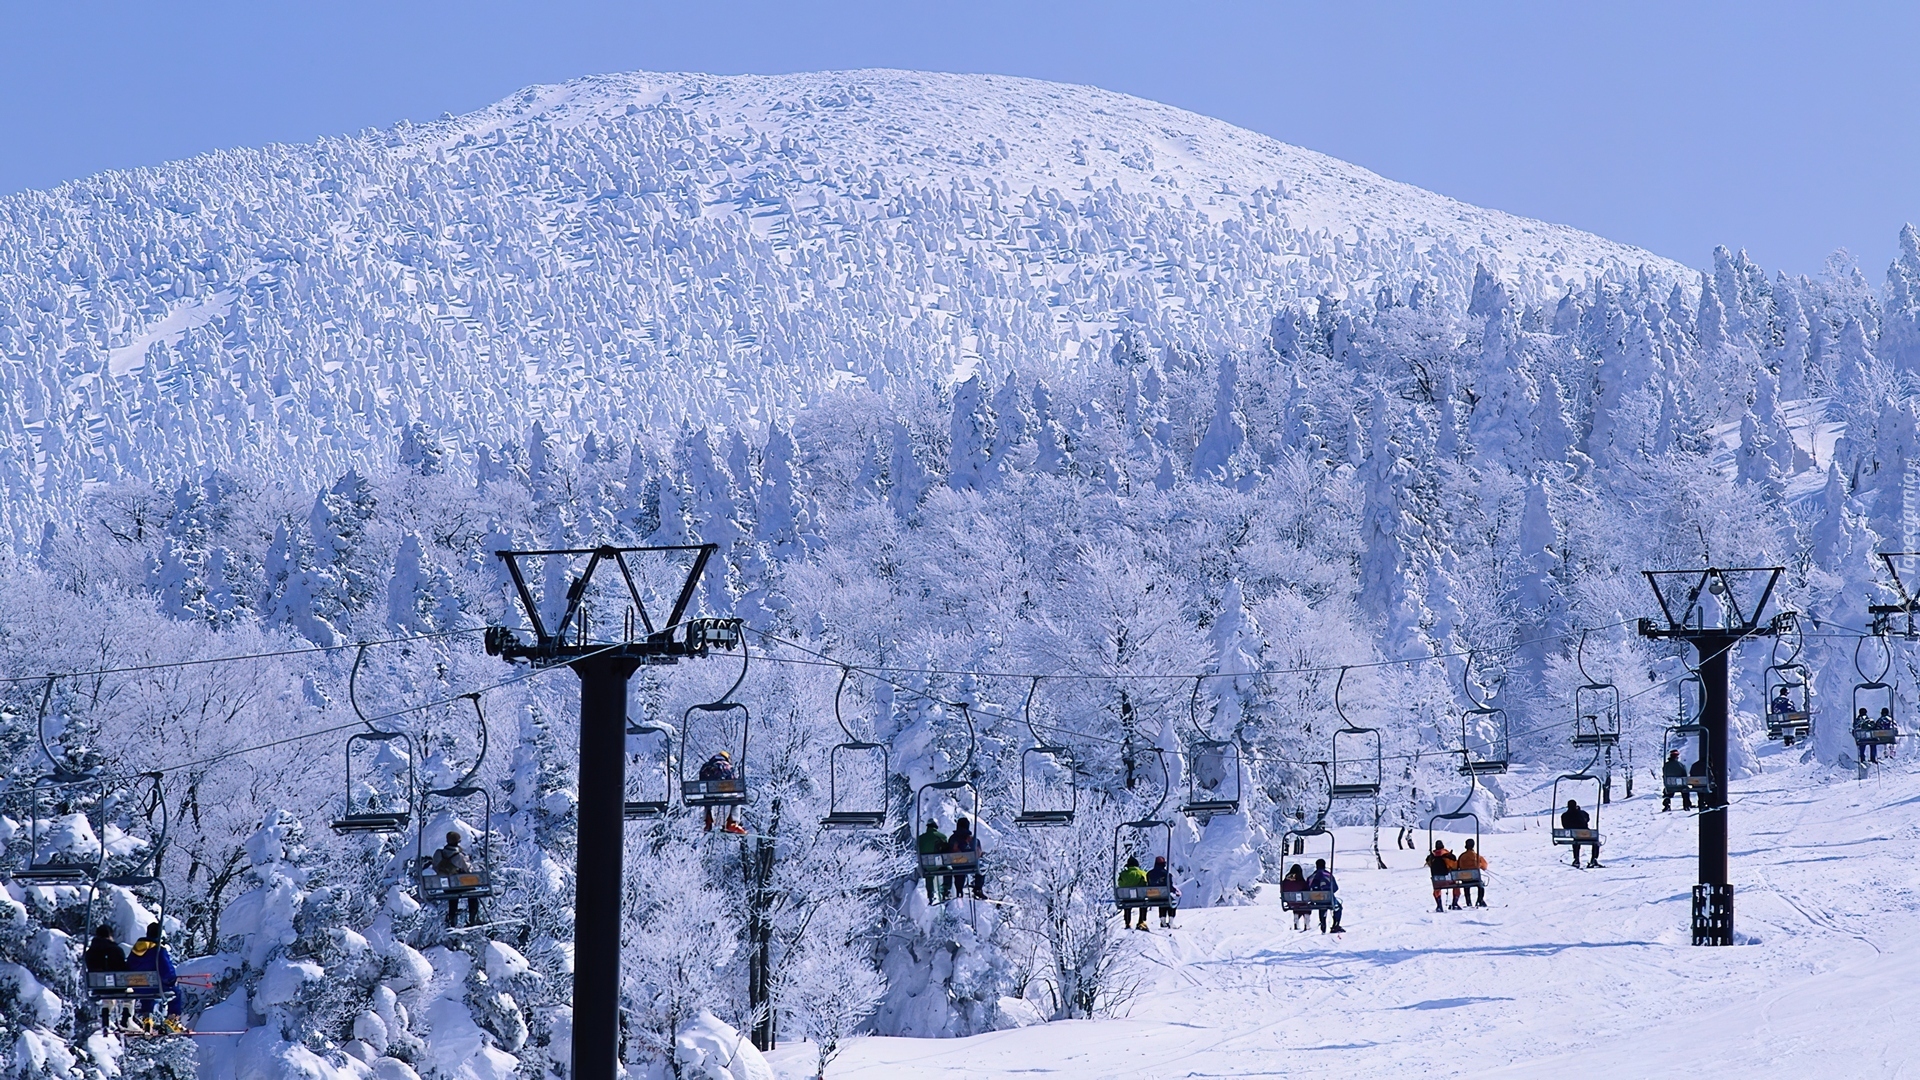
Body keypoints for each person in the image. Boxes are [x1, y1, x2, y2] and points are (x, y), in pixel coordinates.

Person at [126, 923, 182, 1033]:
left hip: (137, 986)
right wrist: (171, 981)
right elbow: (166, 969)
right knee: (176, 993)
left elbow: (129, 965)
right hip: (155, 986)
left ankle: (147, 1019)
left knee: (147, 993)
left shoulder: (136, 949)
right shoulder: (158, 950)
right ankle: (172, 1020)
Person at [84, 925, 133, 1032]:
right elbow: (122, 969)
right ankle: (126, 1018)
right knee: (129, 993)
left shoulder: (90, 952)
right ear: (110, 935)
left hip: (98, 986)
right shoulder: (116, 950)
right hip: (117, 986)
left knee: (107, 994)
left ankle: (105, 1015)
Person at [432, 831, 481, 927]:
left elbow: (435, 867)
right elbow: (469, 871)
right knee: (471, 891)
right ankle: (472, 918)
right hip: (459, 886)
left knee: (452, 893)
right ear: (458, 842)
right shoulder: (459, 856)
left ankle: (452, 918)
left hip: (446, 887)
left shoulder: (438, 854)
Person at [698, 751, 745, 834]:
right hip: (724, 792)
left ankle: (707, 820)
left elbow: (701, 779)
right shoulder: (727, 766)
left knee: (707, 799)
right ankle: (732, 822)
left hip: (709, 793)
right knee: (736, 800)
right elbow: (732, 781)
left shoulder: (705, 766)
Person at [946, 817, 985, 900]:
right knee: (982, 867)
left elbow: (949, 851)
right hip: (971, 865)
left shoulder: (952, 838)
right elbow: (979, 853)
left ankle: (959, 890)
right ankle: (978, 888)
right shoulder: (973, 840)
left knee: (959, 870)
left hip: (957, 864)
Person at [916, 818, 949, 903]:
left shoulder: (920, 838)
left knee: (928, 874)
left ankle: (930, 893)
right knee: (948, 870)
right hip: (937, 865)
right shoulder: (941, 837)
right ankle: (945, 890)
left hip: (925, 865)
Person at [1306, 858, 1342, 933]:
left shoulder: (1312, 876)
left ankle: (1323, 922)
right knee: (1338, 907)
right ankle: (1335, 925)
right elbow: (1335, 888)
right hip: (1328, 898)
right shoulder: (1328, 875)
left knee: (1321, 905)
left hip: (1316, 899)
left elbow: (1307, 888)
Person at [1562, 800, 1599, 868]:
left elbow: (1565, 826)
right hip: (1585, 834)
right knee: (1596, 842)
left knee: (1576, 841)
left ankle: (1576, 859)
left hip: (1575, 835)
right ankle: (1594, 859)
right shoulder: (1581, 813)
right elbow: (1587, 819)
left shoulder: (1564, 815)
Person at [1146, 855, 1180, 929]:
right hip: (1164, 896)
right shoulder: (1166, 874)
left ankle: (1163, 921)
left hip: (1152, 896)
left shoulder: (1149, 874)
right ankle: (1171, 922)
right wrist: (1176, 891)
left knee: (1161, 899)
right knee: (1170, 901)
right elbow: (1169, 887)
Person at [1117, 855, 1150, 930]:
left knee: (1127, 906)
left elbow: (1120, 883)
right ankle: (1141, 921)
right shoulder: (1142, 873)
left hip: (1127, 898)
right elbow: (1145, 883)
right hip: (1140, 898)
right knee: (1143, 904)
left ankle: (1127, 923)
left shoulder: (1123, 874)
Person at [1425, 841, 1459, 912]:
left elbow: (1429, 864)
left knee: (1437, 890)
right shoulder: (1447, 855)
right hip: (1448, 880)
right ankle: (1454, 903)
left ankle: (1439, 905)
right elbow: (1454, 866)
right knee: (1456, 886)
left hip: (1436, 880)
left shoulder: (1432, 857)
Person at [1454, 839, 1488, 908]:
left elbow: (1458, 866)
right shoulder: (1476, 856)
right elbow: (1485, 866)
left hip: (1465, 879)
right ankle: (1479, 900)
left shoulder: (1462, 856)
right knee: (1481, 886)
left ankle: (1468, 902)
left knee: (1466, 886)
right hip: (1475, 879)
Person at [1281, 864, 1312, 930]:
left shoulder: (1286, 879)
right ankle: (1306, 922)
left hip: (1290, 901)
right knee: (1305, 907)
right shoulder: (1300, 879)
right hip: (1301, 901)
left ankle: (1296, 919)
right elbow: (1306, 888)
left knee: (1296, 906)